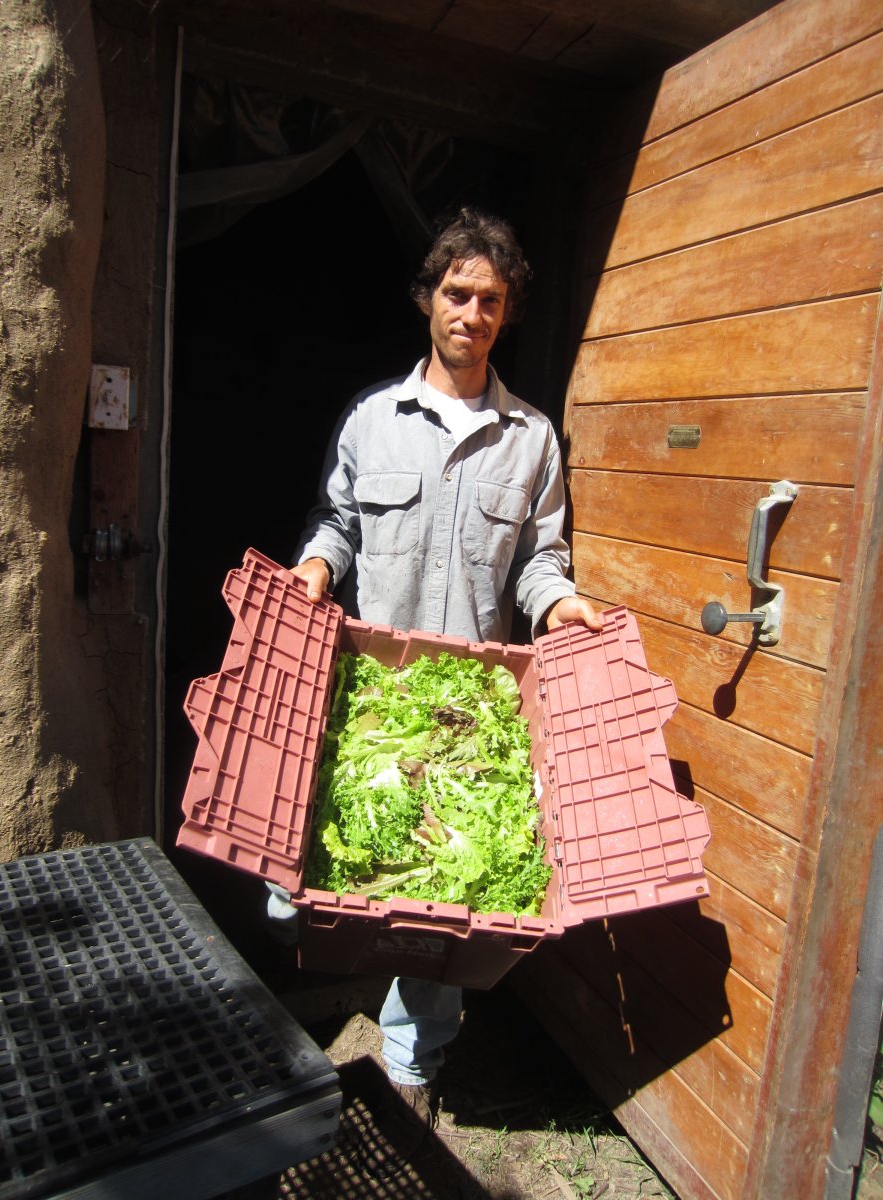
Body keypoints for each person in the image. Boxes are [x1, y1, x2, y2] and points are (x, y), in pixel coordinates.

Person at [286, 205, 603, 1143]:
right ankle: (335, 993)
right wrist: (314, 569)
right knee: (356, 861)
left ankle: (412, 1064)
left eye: (491, 301)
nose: (472, 312)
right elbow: (336, 523)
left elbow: (542, 561)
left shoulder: (533, 440)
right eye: (457, 293)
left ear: (506, 315)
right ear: (428, 300)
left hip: (470, 705)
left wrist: (559, 606)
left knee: (450, 894)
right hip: (376, 695)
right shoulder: (373, 421)